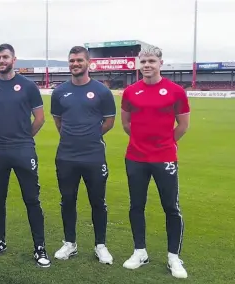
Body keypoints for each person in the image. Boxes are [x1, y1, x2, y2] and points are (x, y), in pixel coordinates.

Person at [121, 46, 190, 279]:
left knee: (171, 207)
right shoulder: (130, 92)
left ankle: (173, 257)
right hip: (136, 158)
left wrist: (165, 143)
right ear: (138, 64)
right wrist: (142, 141)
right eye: (143, 61)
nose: (147, 65)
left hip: (165, 158)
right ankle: (140, 251)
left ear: (161, 63)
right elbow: (126, 124)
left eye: (151, 60)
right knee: (136, 205)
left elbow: (183, 125)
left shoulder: (176, 91)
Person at [0, 43, 50, 267]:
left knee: (31, 199)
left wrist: (23, 137)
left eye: (5, 57)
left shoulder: (28, 86)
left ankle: (39, 247)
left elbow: (39, 118)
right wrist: (0, 135)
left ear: (14, 59)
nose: (1, 61)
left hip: (23, 150)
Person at [50, 46, 116, 264]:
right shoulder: (60, 92)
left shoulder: (102, 91)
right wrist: (72, 137)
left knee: (98, 201)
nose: (75, 64)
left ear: (89, 63)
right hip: (66, 156)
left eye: (79, 60)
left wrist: (90, 136)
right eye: (71, 60)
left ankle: (101, 245)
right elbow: (58, 121)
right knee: (67, 200)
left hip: (94, 155)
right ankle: (70, 243)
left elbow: (109, 121)